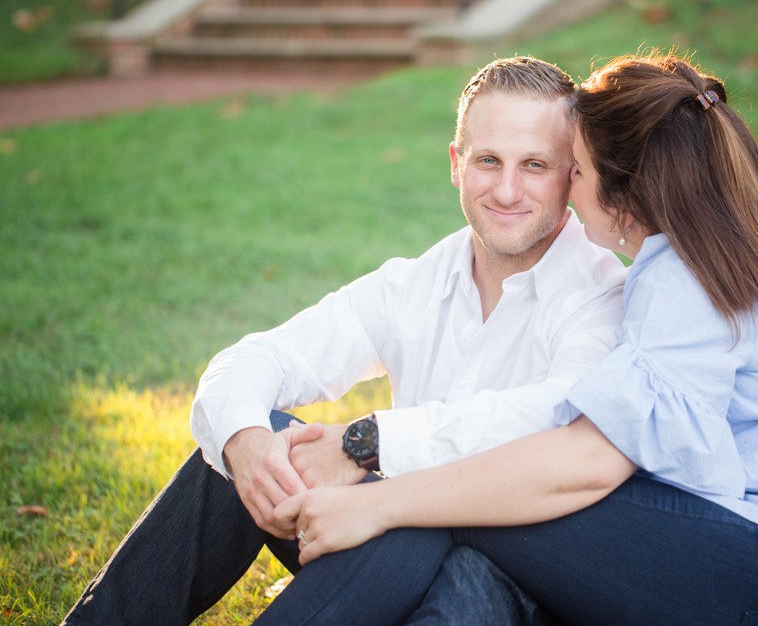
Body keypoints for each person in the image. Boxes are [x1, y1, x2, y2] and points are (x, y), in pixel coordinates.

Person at [268, 51, 758, 625]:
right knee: (471, 521)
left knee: (466, 501)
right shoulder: (707, 254)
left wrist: (382, 501)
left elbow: (590, 464)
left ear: (625, 190)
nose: (566, 189)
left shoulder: (684, 277)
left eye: (579, 170)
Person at [61, 56, 626, 625]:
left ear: (571, 175)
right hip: (385, 536)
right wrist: (246, 445)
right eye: (487, 160)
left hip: (516, 573)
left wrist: (368, 442)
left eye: (534, 164)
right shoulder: (411, 284)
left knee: (460, 572)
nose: (506, 189)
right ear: (456, 164)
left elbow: (558, 417)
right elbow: (258, 359)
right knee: (261, 442)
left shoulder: (602, 298)